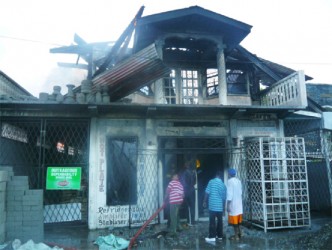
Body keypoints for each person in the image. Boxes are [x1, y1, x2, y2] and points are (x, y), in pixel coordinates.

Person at [203, 170, 227, 242]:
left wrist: (204, 201)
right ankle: (220, 236)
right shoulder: (223, 185)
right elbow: (224, 197)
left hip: (212, 205)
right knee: (220, 221)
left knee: (212, 221)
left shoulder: (211, 182)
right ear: (221, 177)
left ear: (216, 175)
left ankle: (212, 236)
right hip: (219, 206)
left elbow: (207, 192)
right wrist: (223, 207)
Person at [226, 168, 243, 241]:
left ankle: (236, 236)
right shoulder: (238, 181)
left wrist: (227, 205)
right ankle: (240, 233)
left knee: (234, 222)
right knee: (238, 221)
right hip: (239, 204)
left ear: (229, 174)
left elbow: (230, 194)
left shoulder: (230, 181)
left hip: (233, 204)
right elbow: (241, 192)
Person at [180, 161, 196, 226]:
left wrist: (183, 190)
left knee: (187, 207)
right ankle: (192, 221)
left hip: (187, 191)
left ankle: (188, 221)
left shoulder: (184, 173)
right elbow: (195, 182)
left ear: (186, 166)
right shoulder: (193, 172)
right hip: (192, 190)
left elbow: (183, 183)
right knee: (192, 206)